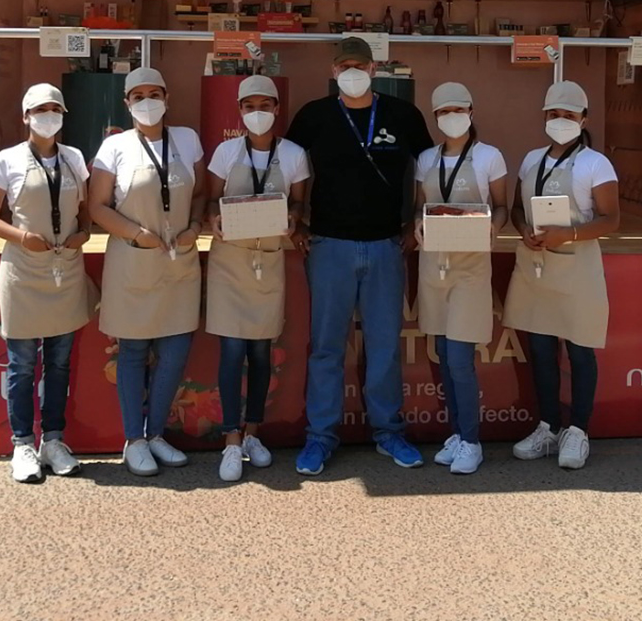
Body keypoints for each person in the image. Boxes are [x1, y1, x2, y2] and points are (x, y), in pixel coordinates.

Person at [284, 36, 434, 475]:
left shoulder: (402, 114)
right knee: (327, 349)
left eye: (360, 64)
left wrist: (415, 224)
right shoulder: (313, 116)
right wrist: (296, 222)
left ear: (374, 69)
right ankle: (320, 438)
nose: (352, 71)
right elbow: (288, 170)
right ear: (333, 71)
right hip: (329, 246)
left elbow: (430, 172)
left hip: (387, 246)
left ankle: (390, 432)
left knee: (385, 348)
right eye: (344, 64)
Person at [89, 67, 207, 477]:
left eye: (154, 93)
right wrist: (135, 234)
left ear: (167, 96)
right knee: (134, 352)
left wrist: (194, 227)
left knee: (175, 352)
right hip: (133, 259)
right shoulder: (115, 147)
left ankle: (156, 433)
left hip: (179, 259)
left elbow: (202, 192)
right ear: (127, 102)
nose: (147, 102)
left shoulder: (188, 140)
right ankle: (134, 440)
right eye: (138, 96)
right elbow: (98, 206)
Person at [0, 83, 95, 484]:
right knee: (23, 365)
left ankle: (54, 441)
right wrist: (21, 237)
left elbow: (87, 212)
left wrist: (84, 234)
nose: (48, 116)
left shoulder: (75, 158)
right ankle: (23, 444)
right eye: (40, 110)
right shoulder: (7, 160)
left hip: (66, 269)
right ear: (25, 117)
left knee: (60, 363)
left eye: (55, 109)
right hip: (24, 272)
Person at [504, 80, 620, 470]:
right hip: (537, 266)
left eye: (569, 116)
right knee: (540, 350)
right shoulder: (531, 159)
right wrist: (524, 231)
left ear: (583, 119)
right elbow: (516, 209)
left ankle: (578, 431)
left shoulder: (595, 163)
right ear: (544, 117)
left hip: (576, 266)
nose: (560, 121)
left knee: (579, 349)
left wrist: (567, 233)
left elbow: (611, 218)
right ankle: (548, 427)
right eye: (554, 114)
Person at [204, 75, 310, 482]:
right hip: (231, 260)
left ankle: (252, 433)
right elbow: (211, 197)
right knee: (233, 351)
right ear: (240, 111)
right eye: (250, 107)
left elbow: (301, 202)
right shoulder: (226, 152)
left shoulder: (295, 154)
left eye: (266, 105)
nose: (258, 113)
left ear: (278, 109)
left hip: (269, 260)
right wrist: (213, 217)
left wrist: (294, 219)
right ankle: (231, 440)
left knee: (262, 353)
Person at [413, 82, 508, 476]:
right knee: (442, 354)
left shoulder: (490, 157)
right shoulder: (425, 158)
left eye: (458, 109)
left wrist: (493, 230)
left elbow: (502, 206)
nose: (451, 117)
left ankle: (471, 440)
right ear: (435, 118)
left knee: (460, 359)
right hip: (435, 266)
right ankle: (456, 433)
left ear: (470, 111)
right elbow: (421, 207)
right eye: (443, 111)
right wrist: (418, 227)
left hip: (471, 266)